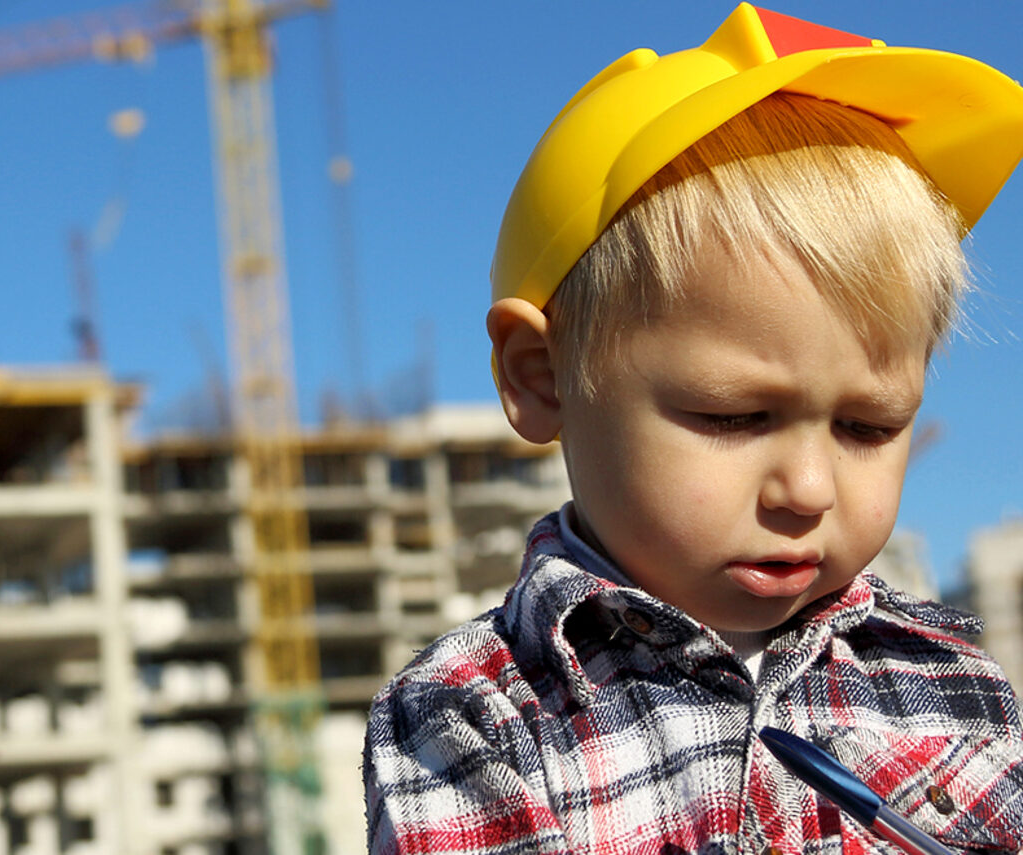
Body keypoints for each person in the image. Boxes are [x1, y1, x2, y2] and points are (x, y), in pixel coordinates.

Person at [363, 5, 1023, 853]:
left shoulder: (953, 681)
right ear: (541, 374)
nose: (809, 490)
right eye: (734, 416)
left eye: (868, 425)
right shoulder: (474, 714)